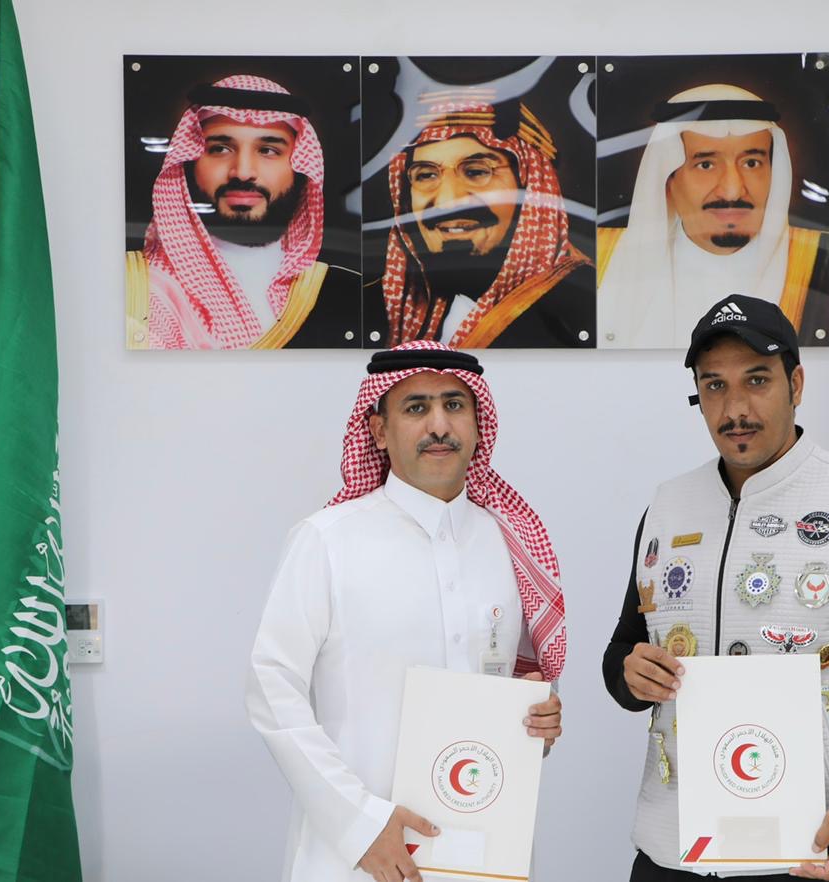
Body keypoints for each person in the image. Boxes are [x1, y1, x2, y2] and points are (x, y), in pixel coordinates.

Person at [602, 294, 829, 881]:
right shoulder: (667, 508)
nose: (735, 409)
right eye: (714, 386)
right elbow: (622, 652)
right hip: (673, 853)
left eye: (757, 380)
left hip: (813, 850)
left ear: (795, 383)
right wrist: (630, 674)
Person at [247, 340, 567, 882]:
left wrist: (538, 719)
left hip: (486, 852)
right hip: (356, 857)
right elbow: (271, 689)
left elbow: (519, 680)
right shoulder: (326, 540)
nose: (439, 426)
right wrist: (359, 824)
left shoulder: (508, 542)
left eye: (454, 405)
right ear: (378, 430)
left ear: (478, 424)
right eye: (416, 407)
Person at [126, 74, 359, 349]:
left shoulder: (340, 292)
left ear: (300, 167)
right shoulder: (140, 288)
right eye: (220, 149)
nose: (243, 172)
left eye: (268, 150)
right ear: (189, 162)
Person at [597, 85, 829, 349]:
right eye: (706, 165)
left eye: (751, 163)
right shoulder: (600, 257)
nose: (733, 189)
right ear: (668, 179)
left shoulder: (825, 263)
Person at [369, 95, 594, 348]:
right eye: (426, 175)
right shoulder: (387, 307)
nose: (447, 201)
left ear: (530, 188)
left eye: (476, 171)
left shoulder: (582, 304)